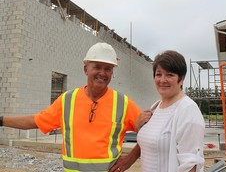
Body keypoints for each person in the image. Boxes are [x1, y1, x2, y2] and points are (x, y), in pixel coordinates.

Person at [0, 42, 141, 172]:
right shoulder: (67, 100)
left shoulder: (123, 103)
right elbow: (36, 121)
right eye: (97, 67)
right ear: (86, 69)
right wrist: (2, 120)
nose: (102, 73)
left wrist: (129, 160)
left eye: (108, 69)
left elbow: (151, 135)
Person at [136, 50, 205, 172]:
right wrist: (138, 128)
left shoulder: (187, 110)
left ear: (182, 78)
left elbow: (190, 165)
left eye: (170, 75)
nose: (162, 80)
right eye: (158, 74)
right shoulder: (156, 107)